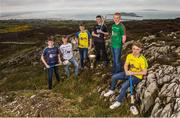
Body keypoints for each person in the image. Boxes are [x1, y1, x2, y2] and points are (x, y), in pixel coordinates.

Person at [104, 41, 148, 109]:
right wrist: (126, 71)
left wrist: (132, 73)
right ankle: (111, 90)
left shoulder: (142, 59)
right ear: (132, 48)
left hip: (137, 77)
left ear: (140, 50)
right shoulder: (129, 56)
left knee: (124, 86)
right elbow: (126, 65)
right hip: (129, 73)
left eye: (137, 49)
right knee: (114, 77)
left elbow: (144, 72)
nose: (135, 51)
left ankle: (118, 102)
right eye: (134, 48)